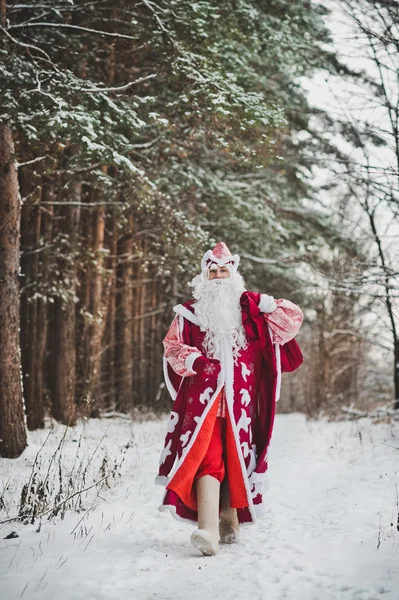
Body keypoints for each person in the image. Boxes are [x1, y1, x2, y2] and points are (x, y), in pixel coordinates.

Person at [155, 242, 304, 556]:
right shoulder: (189, 315)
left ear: (234, 274)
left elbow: (291, 322)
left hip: (242, 402)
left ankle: (228, 520)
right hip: (205, 401)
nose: (220, 277)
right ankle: (208, 528)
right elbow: (173, 347)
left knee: (236, 457)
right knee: (208, 456)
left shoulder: (250, 313)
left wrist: (266, 304)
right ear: (204, 276)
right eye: (214, 271)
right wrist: (196, 361)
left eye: (225, 270)